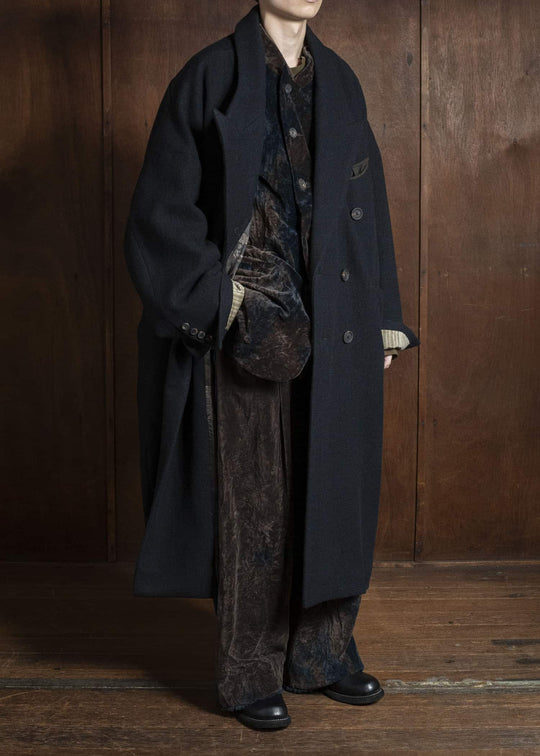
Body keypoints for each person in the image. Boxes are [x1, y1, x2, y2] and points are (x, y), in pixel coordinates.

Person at [124, 0, 419, 732]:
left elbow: (366, 204)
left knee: (333, 485)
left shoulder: (341, 81)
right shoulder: (207, 78)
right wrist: (222, 304)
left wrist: (382, 317)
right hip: (247, 325)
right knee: (253, 500)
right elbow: (161, 215)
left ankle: (323, 652)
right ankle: (249, 668)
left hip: (336, 318)